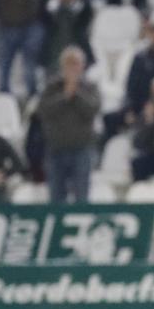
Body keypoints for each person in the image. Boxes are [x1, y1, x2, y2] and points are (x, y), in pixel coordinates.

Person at [37, 46, 101, 204]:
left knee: (81, 194)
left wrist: (76, 94)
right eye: (69, 64)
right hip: (56, 148)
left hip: (82, 148)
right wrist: (65, 96)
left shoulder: (90, 87)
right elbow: (43, 111)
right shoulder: (52, 87)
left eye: (76, 64)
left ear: (82, 66)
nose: (72, 68)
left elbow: (91, 110)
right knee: (56, 196)